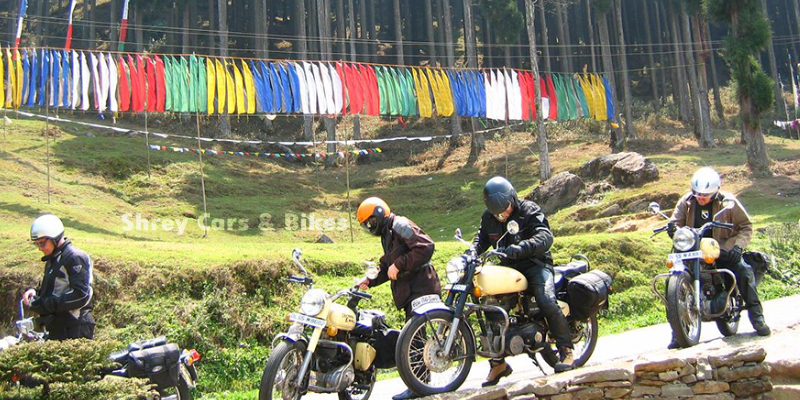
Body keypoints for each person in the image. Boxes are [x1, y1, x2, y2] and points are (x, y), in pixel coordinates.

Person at [469, 176, 574, 386]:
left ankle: (566, 350)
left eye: (505, 209)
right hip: (508, 268)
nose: (502, 215)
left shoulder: (529, 210)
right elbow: (480, 239)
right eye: (496, 212)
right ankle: (498, 363)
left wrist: (522, 247)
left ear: (512, 198)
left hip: (535, 265)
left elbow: (545, 236)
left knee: (545, 299)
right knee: (487, 302)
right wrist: (471, 252)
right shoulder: (489, 217)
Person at [667, 167, 770, 347]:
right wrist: (672, 229)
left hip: (721, 249)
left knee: (743, 271)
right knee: (671, 282)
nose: (701, 197)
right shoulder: (686, 201)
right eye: (697, 194)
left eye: (705, 195)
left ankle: (757, 317)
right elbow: (675, 223)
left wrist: (737, 247)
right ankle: (677, 332)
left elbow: (745, 226)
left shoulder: (728, 202)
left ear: (715, 192)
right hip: (691, 250)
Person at [355, 197, 441, 400]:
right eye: (366, 224)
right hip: (410, 290)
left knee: (414, 338)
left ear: (379, 214)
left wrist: (400, 264)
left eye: (370, 222)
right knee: (414, 339)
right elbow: (387, 267)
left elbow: (426, 246)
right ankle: (420, 385)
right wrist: (370, 280)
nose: (370, 227)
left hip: (421, 286)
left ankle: (419, 386)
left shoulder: (399, 224)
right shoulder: (387, 234)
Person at [23, 214, 95, 340]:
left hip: (75, 326)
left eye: (42, 243)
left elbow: (80, 295)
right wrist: (35, 292)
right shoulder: (53, 258)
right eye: (37, 244)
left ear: (54, 238)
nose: (40, 248)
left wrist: (45, 304)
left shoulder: (74, 257)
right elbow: (55, 288)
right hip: (58, 326)